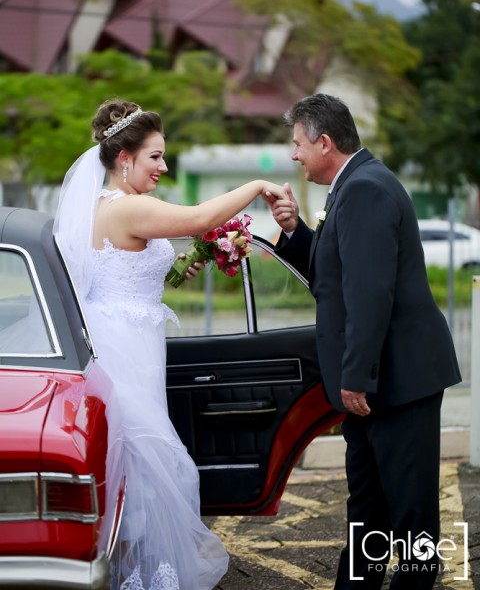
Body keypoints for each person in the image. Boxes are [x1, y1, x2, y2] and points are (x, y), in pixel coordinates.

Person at [53, 98, 287, 590]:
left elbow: (132, 273)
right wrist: (255, 185)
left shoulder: (109, 208)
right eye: (155, 157)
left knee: (135, 461)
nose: (163, 166)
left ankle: (123, 569)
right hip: (123, 348)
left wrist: (182, 263)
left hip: (129, 339)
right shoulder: (130, 206)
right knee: (146, 459)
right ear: (124, 160)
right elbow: (200, 216)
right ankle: (142, 576)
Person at [267, 93, 461, 589]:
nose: (294, 154)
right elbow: (336, 277)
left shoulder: (367, 189)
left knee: (412, 523)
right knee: (368, 516)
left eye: (298, 144)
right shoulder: (354, 184)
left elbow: (371, 293)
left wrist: (356, 376)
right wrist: (294, 232)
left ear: (325, 142)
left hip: (397, 382)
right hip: (377, 384)